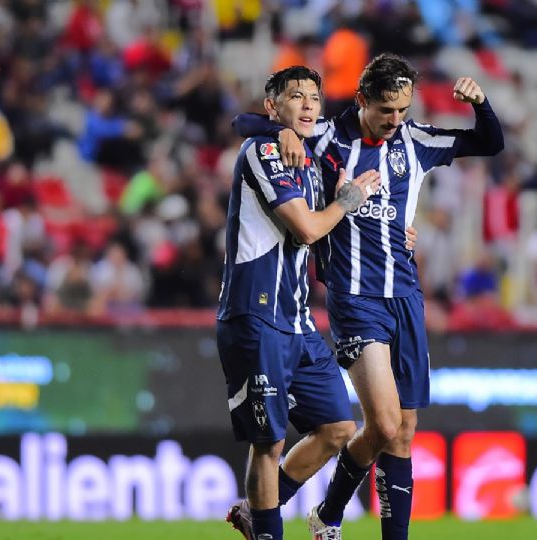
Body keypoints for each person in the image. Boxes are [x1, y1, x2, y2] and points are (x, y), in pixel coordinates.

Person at [233, 53, 504, 540]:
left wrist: (480, 102)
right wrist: (285, 133)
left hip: (405, 295)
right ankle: (310, 512)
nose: (395, 120)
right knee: (379, 421)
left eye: (403, 109)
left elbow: (490, 142)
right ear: (362, 100)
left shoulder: (416, 141)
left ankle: (328, 517)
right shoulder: (328, 137)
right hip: (353, 298)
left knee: (401, 429)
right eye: (386, 110)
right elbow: (247, 122)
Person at [217, 65, 382, 540]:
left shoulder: (306, 155)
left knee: (337, 427)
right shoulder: (266, 148)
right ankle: (268, 532)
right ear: (274, 106)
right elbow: (309, 227)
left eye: (315, 96)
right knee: (268, 442)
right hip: (256, 314)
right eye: (296, 97)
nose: (309, 105)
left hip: (297, 320)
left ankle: (257, 513)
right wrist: (348, 198)